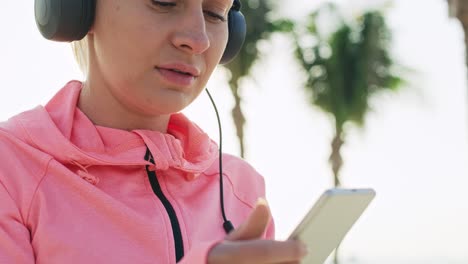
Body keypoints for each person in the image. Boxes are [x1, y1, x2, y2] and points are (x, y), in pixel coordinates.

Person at [0, 0, 307, 263]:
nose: (198, 39)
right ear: (78, 8)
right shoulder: (9, 169)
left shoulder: (241, 188)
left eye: (214, 13)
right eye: (164, 1)